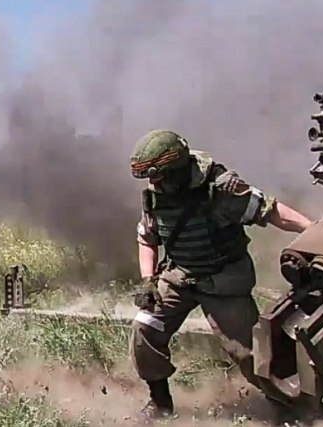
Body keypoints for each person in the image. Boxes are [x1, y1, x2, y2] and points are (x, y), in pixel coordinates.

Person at [128, 129, 313, 422]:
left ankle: (291, 406)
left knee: (252, 356)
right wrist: (148, 280)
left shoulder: (222, 189)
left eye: (161, 177)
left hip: (222, 280)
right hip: (178, 277)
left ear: (176, 169)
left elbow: (271, 211)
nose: (155, 184)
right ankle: (160, 403)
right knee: (144, 329)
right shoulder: (155, 196)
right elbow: (147, 239)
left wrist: (314, 230)